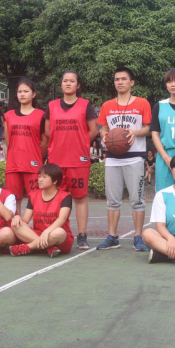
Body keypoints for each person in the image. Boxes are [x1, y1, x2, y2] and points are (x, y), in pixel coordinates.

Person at [96, 67, 151, 251]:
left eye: (123, 79)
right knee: (112, 200)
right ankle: (112, 237)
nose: (119, 82)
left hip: (134, 157)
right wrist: (104, 136)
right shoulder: (107, 105)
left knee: (137, 200)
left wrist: (134, 132)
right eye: (117, 79)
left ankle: (138, 237)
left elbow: (148, 128)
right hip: (113, 158)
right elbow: (103, 128)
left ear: (131, 82)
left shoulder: (142, 103)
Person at [44, 71, 98, 249]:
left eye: (72, 81)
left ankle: (82, 235)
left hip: (78, 160)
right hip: (57, 160)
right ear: (61, 84)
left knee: (80, 198)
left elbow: (93, 130)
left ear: (78, 85)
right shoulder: (52, 106)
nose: (68, 83)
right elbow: (48, 131)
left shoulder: (85, 105)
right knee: (58, 199)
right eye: (65, 80)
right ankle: (61, 234)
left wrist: (80, 143)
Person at [8, 164, 75, 258]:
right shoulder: (33, 195)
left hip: (58, 238)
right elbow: (25, 221)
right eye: (39, 176)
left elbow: (62, 219)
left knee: (59, 232)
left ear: (55, 181)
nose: (40, 179)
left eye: (44, 177)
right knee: (16, 225)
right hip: (38, 234)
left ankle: (27, 247)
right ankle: (49, 248)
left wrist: (47, 232)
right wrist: (17, 217)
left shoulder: (65, 197)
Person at [3, 78, 47, 216]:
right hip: (13, 165)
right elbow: (8, 140)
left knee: (35, 199)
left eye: (26, 91)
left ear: (33, 94)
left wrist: (36, 156)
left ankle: (35, 227)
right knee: (13, 200)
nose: (22, 94)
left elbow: (45, 142)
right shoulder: (8, 116)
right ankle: (16, 227)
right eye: (19, 91)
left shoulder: (41, 115)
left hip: (33, 165)